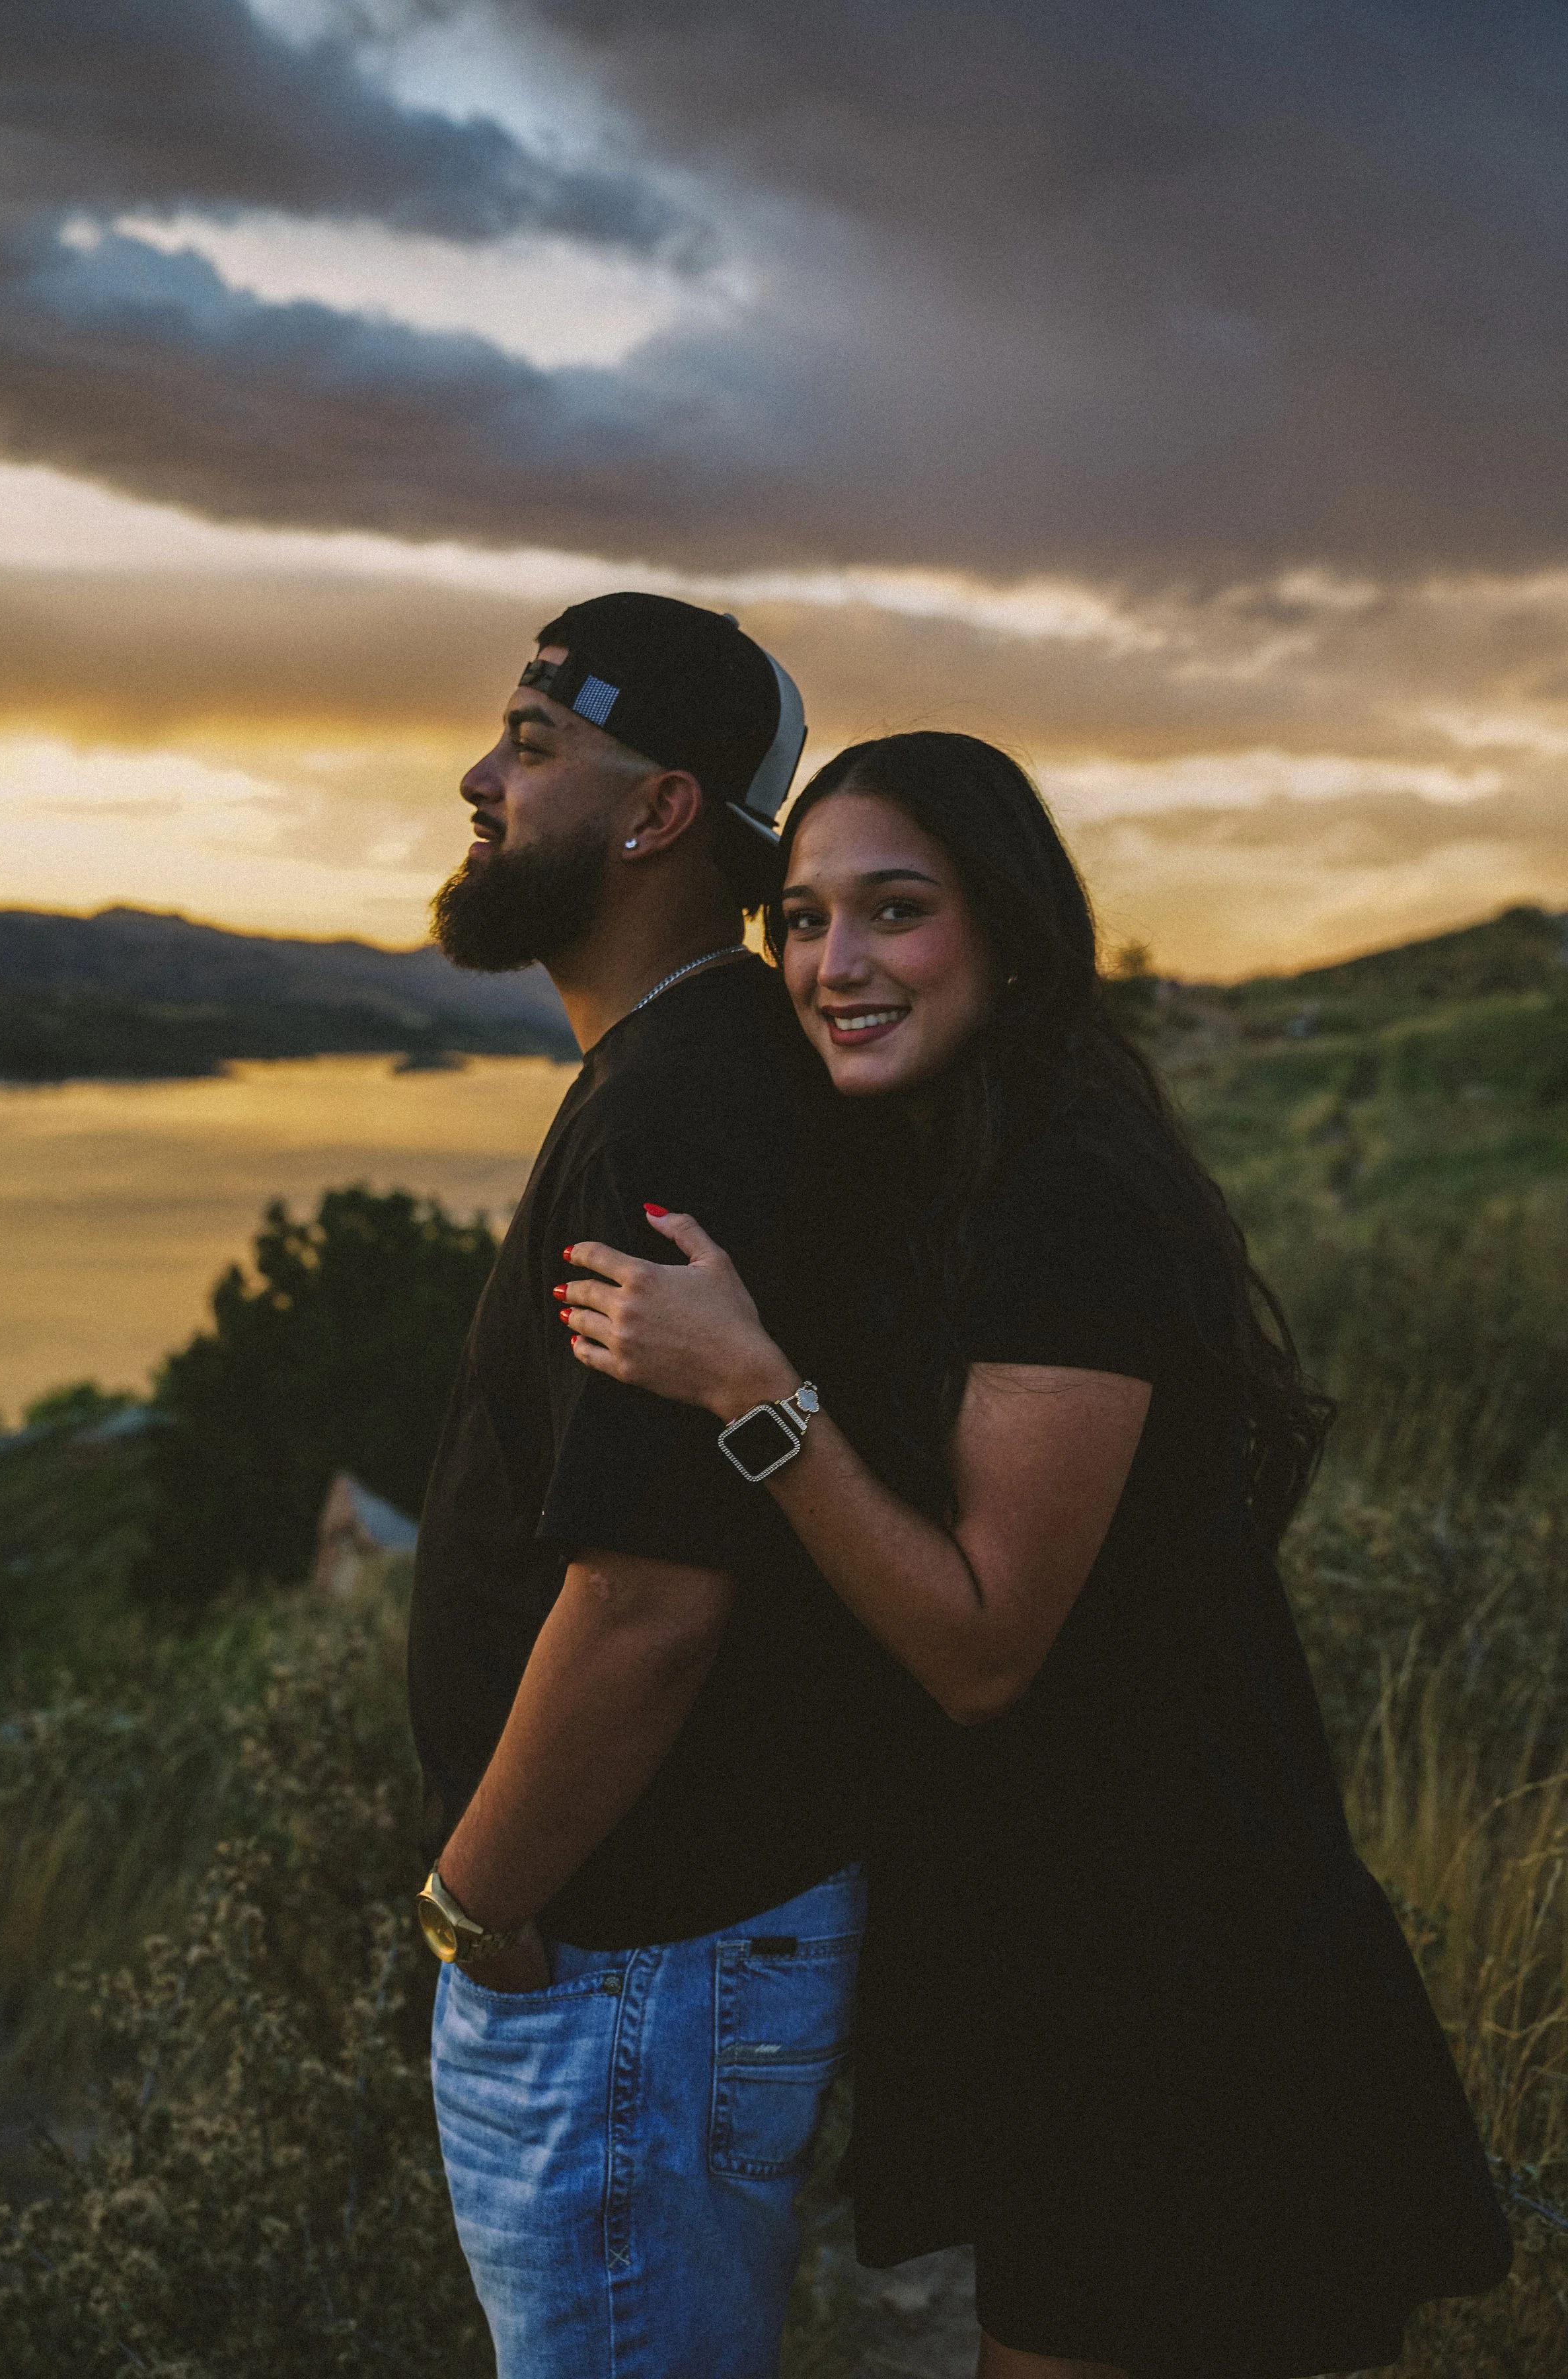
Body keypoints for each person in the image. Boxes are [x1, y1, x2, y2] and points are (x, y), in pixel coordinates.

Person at [555, 732, 1513, 2379]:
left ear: (1007, 933)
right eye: (804, 919)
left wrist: (750, 1389)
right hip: (1069, 1951)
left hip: (1173, 1971)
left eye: (896, 910)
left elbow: (982, 1644)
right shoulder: (953, 1167)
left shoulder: (1069, 1200)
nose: (836, 964)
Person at [408, 595, 897, 2379]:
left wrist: (476, 1903)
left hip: (634, 1967)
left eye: (533, 745)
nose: (480, 779)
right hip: (655, 1959)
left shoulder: (677, 1109)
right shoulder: (700, 1068)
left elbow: (651, 1602)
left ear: (661, 813)